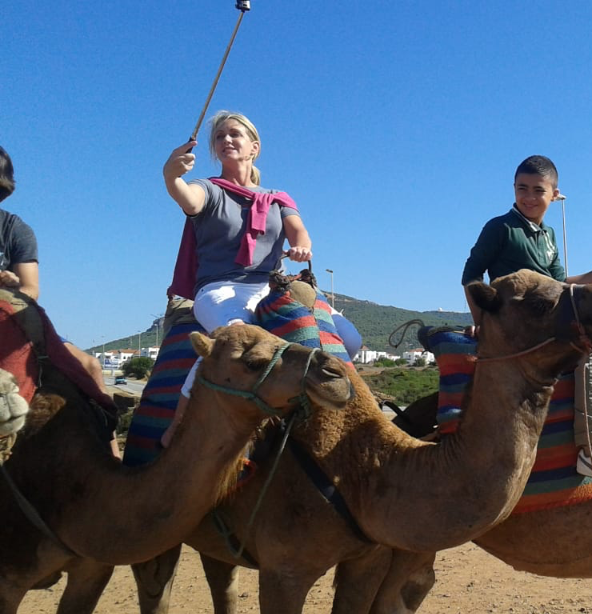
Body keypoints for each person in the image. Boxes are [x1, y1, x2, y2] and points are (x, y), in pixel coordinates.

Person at [161, 111, 360, 445]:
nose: (226, 140)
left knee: (350, 340)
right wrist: (171, 175)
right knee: (236, 340)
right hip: (221, 288)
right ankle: (179, 424)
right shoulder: (207, 189)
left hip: (272, 286)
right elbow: (187, 198)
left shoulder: (279, 198)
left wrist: (301, 248)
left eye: (234, 134)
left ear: (254, 147)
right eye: (220, 137)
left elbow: (300, 232)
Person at [461, 155, 592, 486]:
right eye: (522, 189)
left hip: (546, 316)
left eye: (537, 191)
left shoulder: (548, 237)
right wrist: (485, 324)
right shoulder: (500, 228)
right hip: (519, 322)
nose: (529, 197)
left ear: (554, 194)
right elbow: (471, 277)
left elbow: (560, 286)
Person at [0, 145, 120, 457]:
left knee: (91, 367)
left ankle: (110, 460)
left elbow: (30, 290)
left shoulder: (14, 229)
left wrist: (12, 284)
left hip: (11, 319)